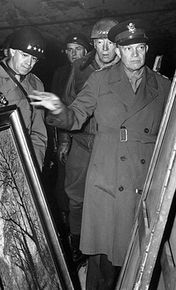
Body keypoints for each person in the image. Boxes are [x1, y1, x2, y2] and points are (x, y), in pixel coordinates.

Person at [29, 19, 171, 289]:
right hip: (108, 176)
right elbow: (75, 117)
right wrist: (59, 108)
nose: (135, 54)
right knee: (102, 257)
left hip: (144, 182)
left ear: (147, 49)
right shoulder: (100, 79)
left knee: (140, 256)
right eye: (128, 49)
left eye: (140, 48)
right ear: (118, 51)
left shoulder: (164, 87)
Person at [57, 18, 120, 265]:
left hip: (110, 145)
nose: (104, 49)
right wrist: (64, 140)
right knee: (75, 196)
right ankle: (77, 243)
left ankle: (105, 247)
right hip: (82, 142)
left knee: (109, 196)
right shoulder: (80, 67)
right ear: (93, 43)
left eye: (110, 42)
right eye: (99, 42)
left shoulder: (127, 65)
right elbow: (66, 103)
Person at [0, 27, 47, 172]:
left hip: (20, 159)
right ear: (12, 51)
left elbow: (38, 133)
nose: (29, 63)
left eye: (34, 59)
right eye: (25, 55)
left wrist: (34, 168)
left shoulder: (36, 85)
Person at [49, 32, 92, 235]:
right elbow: (59, 107)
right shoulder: (60, 73)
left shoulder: (91, 70)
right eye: (69, 50)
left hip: (88, 136)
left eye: (78, 50)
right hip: (68, 136)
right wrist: (63, 139)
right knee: (64, 181)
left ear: (86, 51)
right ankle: (68, 229)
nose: (73, 54)